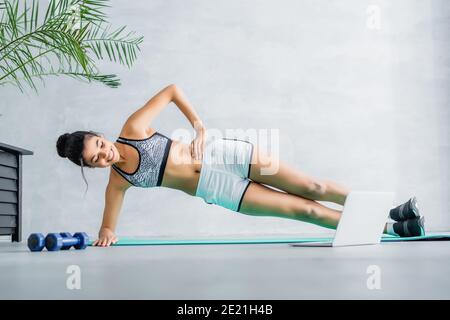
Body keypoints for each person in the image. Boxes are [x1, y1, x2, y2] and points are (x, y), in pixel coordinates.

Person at [56, 84, 425, 247]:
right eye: (96, 159)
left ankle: (389, 209)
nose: (105, 155)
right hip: (218, 190)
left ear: (102, 136)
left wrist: (199, 127)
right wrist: (106, 234)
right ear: (93, 167)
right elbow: (107, 225)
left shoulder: (133, 129)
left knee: (312, 187)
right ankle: (391, 228)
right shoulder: (118, 182)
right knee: (307, 212)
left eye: (100, 145)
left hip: (224, 155)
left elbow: (171, 90)